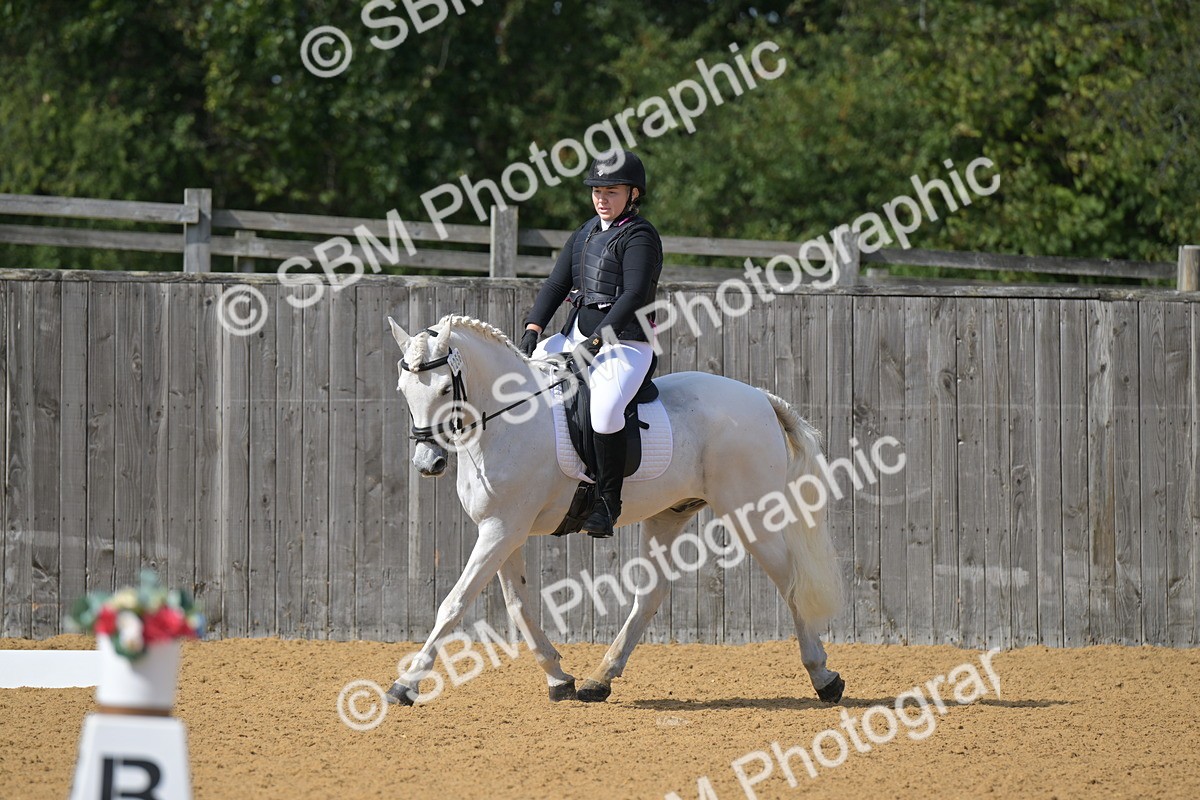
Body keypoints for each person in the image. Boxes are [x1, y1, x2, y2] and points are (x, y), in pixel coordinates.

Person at [518, 150, 664, 538]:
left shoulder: (640, 235)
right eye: (597, 190)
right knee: (525, 383)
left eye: (611, 191)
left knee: (604, 409)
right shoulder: (585, 232)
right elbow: (556, 284)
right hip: (574, 335)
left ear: (633, 194)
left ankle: (607, 502)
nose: (602, 198)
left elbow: (632, 295)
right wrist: (534, 328)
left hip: (626, 343)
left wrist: (599, 341)